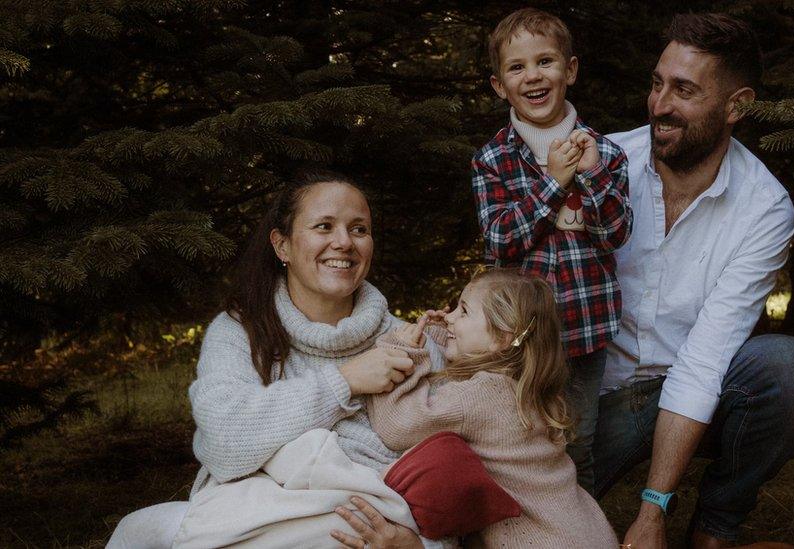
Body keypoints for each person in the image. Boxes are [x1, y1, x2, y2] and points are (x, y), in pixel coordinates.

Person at [592, 13, 794, 549]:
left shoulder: (764, 208)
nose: (659, 105)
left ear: (736, 105)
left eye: (683, 90)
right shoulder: (602, 162)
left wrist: (653, 508)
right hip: (592, 398)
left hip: (699, 387)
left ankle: (716, 526)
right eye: (657, 83)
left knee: (790, 369)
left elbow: (707, 356)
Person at [107, 173, 434, 548]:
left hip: (356, 524)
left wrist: (418, 544)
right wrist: (343, 381)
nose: (343, 242)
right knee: (137, 530)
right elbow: (222, 442)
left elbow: (466, 463)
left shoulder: (412, 343)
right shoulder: (240, 331)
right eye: (324, 226)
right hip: (246, 513)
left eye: (359, 229)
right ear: (282, 246)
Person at [472, 7, 632, 495]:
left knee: (576, 440)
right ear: (500, 85)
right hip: (518, 336)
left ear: (571, 70)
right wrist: (552, 183)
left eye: (545, 62)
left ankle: (575, 528)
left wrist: (589, 174)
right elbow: (500, 239)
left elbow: (617, 232)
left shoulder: (605, 153)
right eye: (517, 67)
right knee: (516, 436)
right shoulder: (493, 159)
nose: (533, 76)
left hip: (584, 331)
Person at [362, 268, 619, 548]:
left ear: (501, 339)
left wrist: (402, 350)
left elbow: (398, 426)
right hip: (588, 531)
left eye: (464, 311)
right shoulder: (528, 386)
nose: (449, 316)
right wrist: (441, 335)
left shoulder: (484, 393)